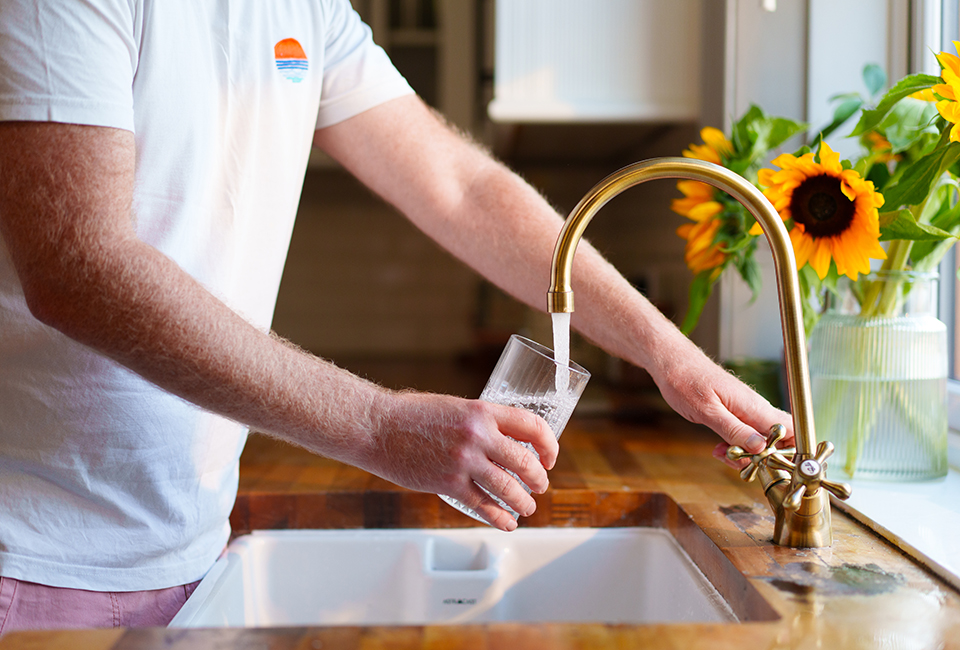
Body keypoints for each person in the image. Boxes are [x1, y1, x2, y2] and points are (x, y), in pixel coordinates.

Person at [0, 0, 792, 631]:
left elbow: (461, 186)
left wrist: (667, 353)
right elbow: (80, 265)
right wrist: (381, 427)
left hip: (186, 546)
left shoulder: (310, 11)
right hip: (34, 556)